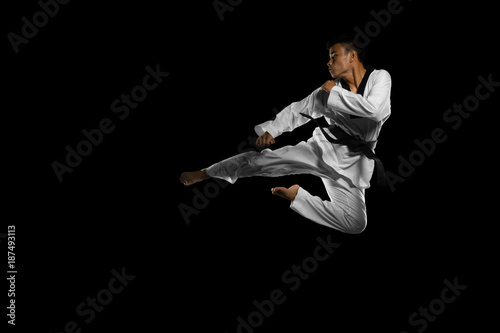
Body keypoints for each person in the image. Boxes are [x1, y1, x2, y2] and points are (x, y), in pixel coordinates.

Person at [180, 33, 391, 234]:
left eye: (333, 56)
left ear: (352, 56)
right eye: (328, 58)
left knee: (356, 223)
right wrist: (271, 130)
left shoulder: (379, 78)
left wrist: (334, 93)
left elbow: (373, 109)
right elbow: (297, 110)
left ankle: (297, 196)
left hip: (355, 164)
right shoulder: (327, 90)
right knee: (261, 164)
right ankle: (206, 172)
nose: (328, 62)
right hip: (323, 150)